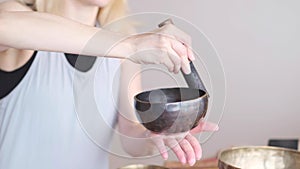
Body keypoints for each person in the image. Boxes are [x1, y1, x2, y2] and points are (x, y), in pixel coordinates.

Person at [0, 0, 219, 168]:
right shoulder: (17, 15)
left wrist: (156, 135)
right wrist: (132, 45)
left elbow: (131, 134)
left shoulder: (122, 47)